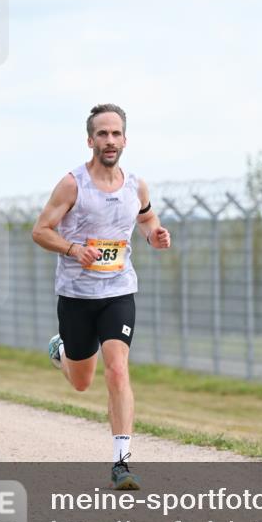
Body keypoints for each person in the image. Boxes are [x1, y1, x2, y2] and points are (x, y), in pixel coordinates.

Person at [31, 103, 170, 490]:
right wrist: (74, 250)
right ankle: (62, 351)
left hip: (118, 290)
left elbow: (145, 217)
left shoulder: (135, 185)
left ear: (125, 138)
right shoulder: (73, 184)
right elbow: (40, 231)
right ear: (90, 139)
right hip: (76, 295)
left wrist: (154, 234)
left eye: (116, 133)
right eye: (102, 134)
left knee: (118, 369)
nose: (110, 140)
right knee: (80, 382)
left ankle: (121, 463)